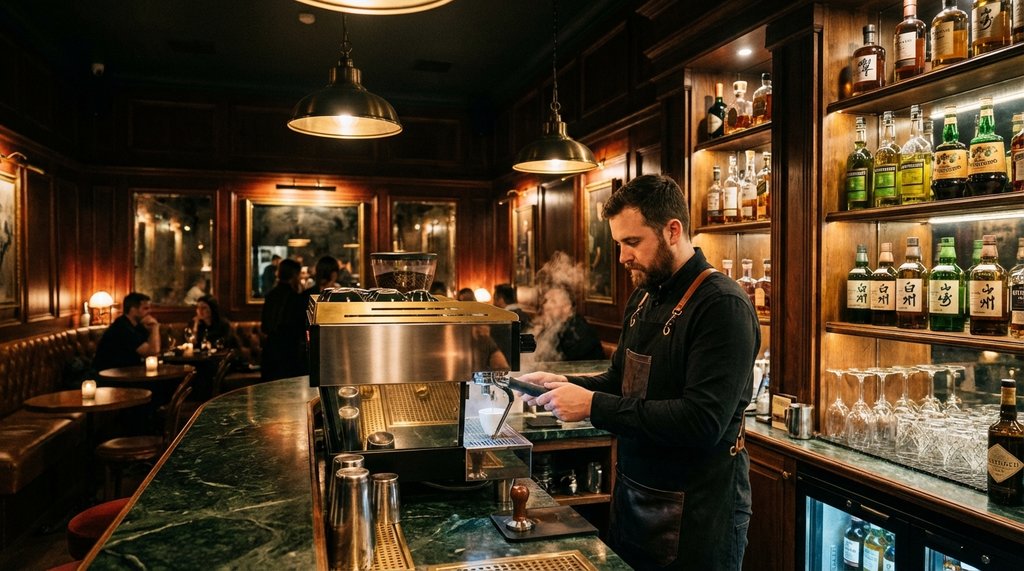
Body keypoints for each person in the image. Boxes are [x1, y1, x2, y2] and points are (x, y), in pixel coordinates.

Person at [518, 174, 759, 570]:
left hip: (699, 511)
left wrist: (592, 406)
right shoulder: (645, 296)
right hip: (635, 495)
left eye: (632, 243)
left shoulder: (722, 305)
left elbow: (702, 422)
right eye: (618, 245)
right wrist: (566, 384)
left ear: (672, 231)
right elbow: (620, 381)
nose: (622, 258)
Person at [260, 258, 308, 382]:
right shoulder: (295, 298)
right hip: (289, 354)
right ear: (294, 275)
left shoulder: (270, 295)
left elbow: (264, 326)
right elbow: (300, 329)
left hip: (269, 353)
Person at [93, 292, 162, 372]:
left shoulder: (137, 325)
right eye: (145, 308)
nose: (149, 311)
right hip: (110, 375)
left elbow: (153, 350)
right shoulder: (122, 327)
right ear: (133, 310)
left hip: (126, 372)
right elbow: (151, 352)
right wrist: (155, 327)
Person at [534, 287, 604, 362]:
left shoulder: (579, 332)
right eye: (546, 301)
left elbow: (558, 361)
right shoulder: (554, 326)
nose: (546, 306)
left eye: (553, 301)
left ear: (567, 307)